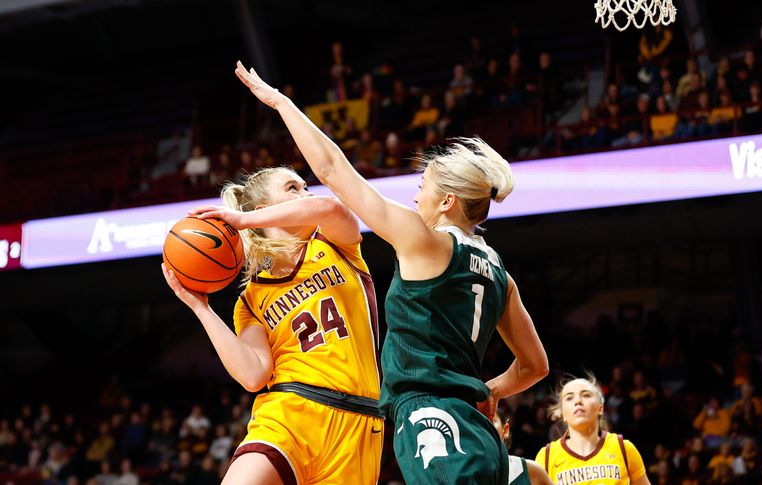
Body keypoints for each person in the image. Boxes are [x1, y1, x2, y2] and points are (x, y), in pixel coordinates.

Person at [235, 61, 549, 484]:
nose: (417, 194)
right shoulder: (500, 275)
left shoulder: (426, 241)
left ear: (447, 202)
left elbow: (331, 172)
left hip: (431, 420)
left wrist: (282, 104)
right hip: (476, 435)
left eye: (424, 187)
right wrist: (489, 390)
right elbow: (534, 365)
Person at [161, 166, 383, 485]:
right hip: (290, 411)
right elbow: (253, 375)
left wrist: (243, 221)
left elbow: (332, 207)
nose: (306, 193)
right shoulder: (251, 299)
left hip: (358, 424)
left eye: (306, 187)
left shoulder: (336, 243)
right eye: (292, 188)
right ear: (265, 211)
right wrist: (201, 308)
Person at [535, 376, 651, 485]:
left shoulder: (624, 448)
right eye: (569, 398)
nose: (578, 401)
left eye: (586, 395)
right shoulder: (546, 456)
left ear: (600, 408)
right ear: (563, 413)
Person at [492, 410, 554, 485]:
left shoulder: (530, 470)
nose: (484, 426)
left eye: (491, 420)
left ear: (505, 430)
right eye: (477, 423)